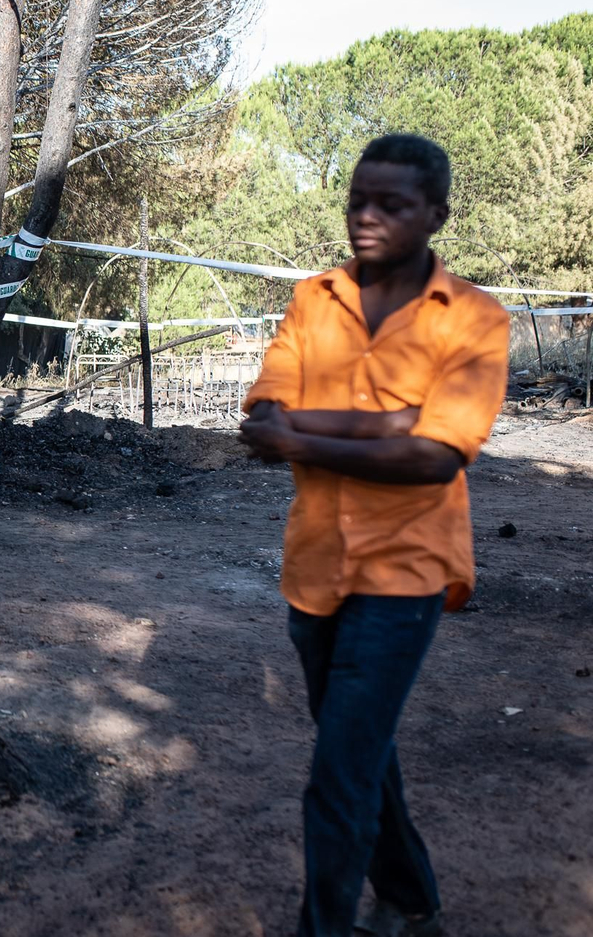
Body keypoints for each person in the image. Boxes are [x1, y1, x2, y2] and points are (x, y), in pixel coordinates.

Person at [238, 134, 508, 937]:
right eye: (358, 199)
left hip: (407, 570)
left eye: (391, 204)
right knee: (357, 750)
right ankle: (413, 898)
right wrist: (390, 421)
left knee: (338, 775)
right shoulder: (312, 298)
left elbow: (434, 459)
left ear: (437, 214)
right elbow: (262, 416)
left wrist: (305, 435)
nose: (367, 216)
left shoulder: (476, 319)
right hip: (315, 564)